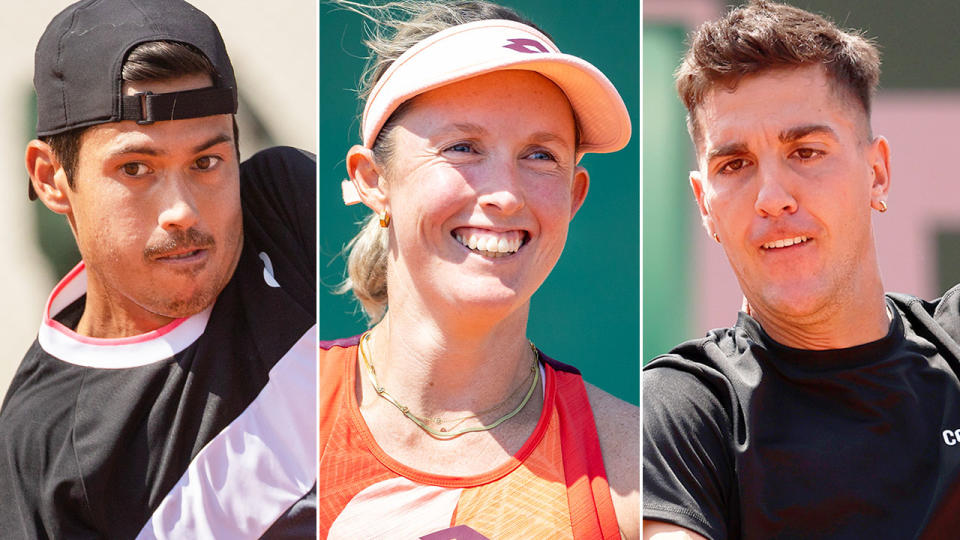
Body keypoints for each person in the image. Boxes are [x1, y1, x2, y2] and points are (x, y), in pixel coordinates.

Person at [318, 1, 638, 538]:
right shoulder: (280, 413)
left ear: (574, 194)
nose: (506, 195)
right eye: (462, 147)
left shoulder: (633, 466)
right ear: (374, 180)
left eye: (540, 155)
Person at [643, 1, 960, 539]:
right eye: (735, 164)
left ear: (877, 173)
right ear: (705, 206)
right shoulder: (683, 410)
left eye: (806, 152)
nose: (772, 198)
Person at [0, 0, 317, 537]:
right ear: (50, 179)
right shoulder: (39, 448)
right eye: (136, 168)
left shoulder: (287, 208)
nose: (183, 211)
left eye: (207, 162)